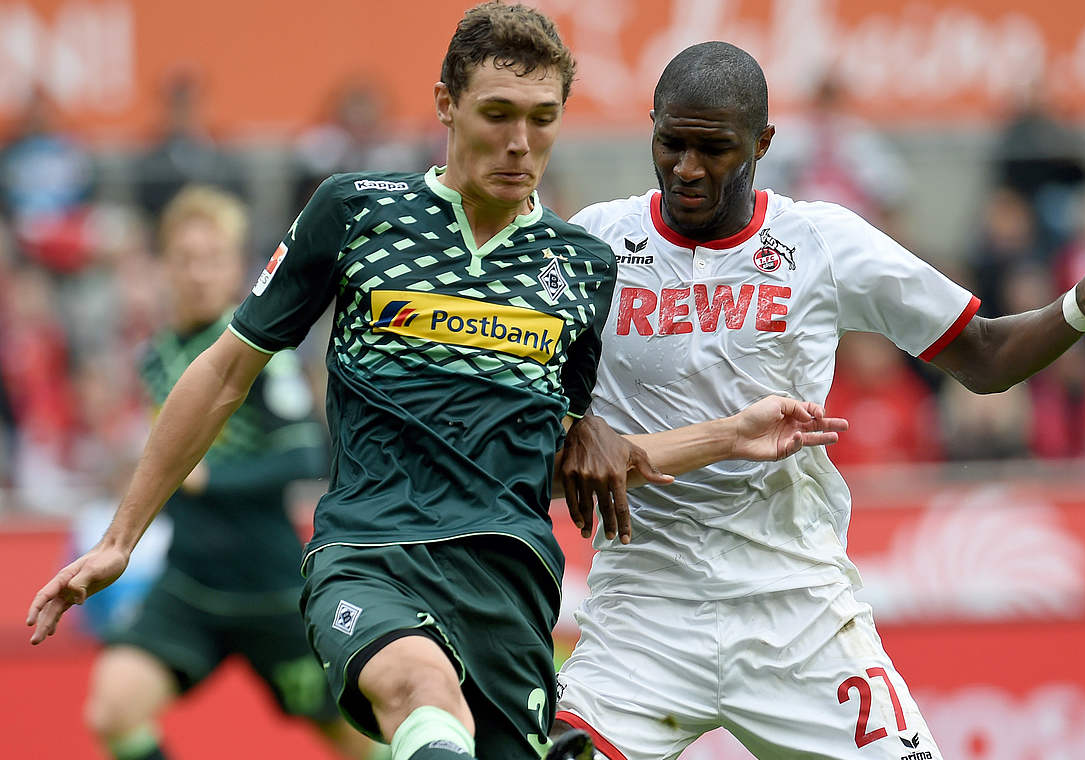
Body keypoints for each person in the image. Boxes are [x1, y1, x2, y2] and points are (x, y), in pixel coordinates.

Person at [28, 9, 846, 760]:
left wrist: (730, 435)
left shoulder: (584, 268)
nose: (521, 142)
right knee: (420, 690)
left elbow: (577, 456)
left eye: (543, 118)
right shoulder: (356, 213)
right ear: (446, 105)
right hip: (370, 553)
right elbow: (221, 376)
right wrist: (121, 538)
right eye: (498, 114)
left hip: (509, 586)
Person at [551, 41, 1085, 760]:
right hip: (643, 609)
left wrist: (1080, 305)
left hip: (794, 608)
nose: (687, 168)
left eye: (715, 149)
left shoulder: (822, 242)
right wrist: (574, 426)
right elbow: (526, 392)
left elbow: (983, 358)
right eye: (671, 143)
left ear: (763, 143)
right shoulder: (596, 242)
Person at [80, 186, 380, 760]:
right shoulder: (156, 357)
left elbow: (303, 457)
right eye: (185, 259)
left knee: (358, 742)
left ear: (236, 267)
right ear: (165, 267)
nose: (197, 274)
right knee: (112, 708)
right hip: (187, 586)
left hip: (270, 592)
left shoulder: (261, 353)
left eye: (212, 259)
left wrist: (205, 477)